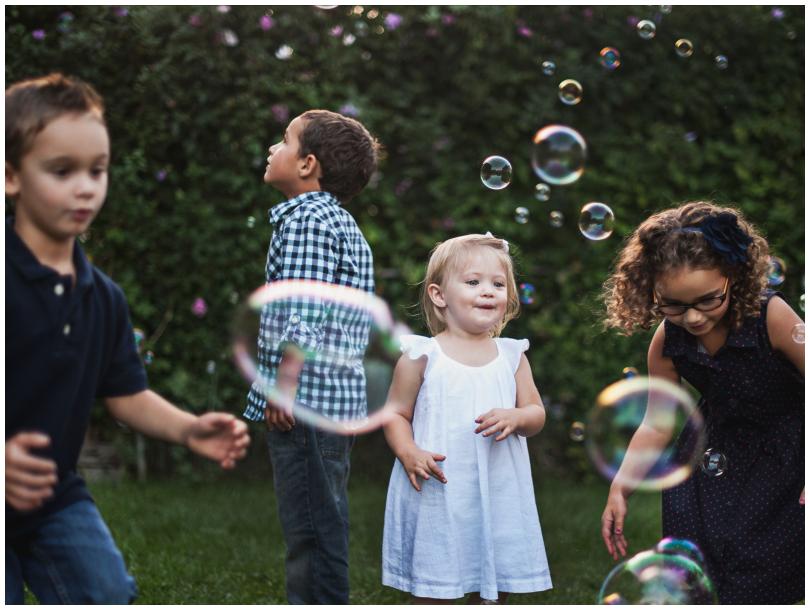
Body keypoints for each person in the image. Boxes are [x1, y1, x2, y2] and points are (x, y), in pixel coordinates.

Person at [5, 73, 251, 604]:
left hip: (53, 496)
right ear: (10, 176)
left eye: (97, 170)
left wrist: (189, 429)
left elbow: (126, 394)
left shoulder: (102, 297)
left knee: (106, 594)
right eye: (62, 170)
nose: (86, 186)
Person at [599, 201, 804, 604]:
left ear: (734, 277)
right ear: (650, 290)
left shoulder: (771, 316)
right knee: (697, 570)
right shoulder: (667, 341)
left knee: (763, 564)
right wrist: (620, 487)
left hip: (786, 451)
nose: (692, 318)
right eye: (673, 304)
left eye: (708, 300)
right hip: (712, 456)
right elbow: (657, 424)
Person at [243, 109, 380, 604]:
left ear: (307, 165)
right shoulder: (336, 221)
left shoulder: (306, 220)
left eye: (283, 141)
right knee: (323, 519)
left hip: (307, 402)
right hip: (329, 402)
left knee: (312, 531)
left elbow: (302, 309)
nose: (271, 149)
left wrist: (285, 383)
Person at [381, 233, 553, 604]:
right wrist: (408, 451)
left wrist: (517, 416)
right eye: (473, 282)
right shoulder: (422, 355)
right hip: (439, 490)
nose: (487, 291)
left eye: (498, 283)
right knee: (436, 583)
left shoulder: (511, 356)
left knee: (495, 580)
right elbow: (395, 413)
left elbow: (536, 413)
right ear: (439, 295)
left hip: (498, 489)